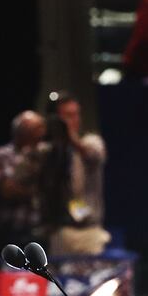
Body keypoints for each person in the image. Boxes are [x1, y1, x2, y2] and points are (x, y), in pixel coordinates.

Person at [37, 92, 109, 257]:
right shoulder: (47, 148)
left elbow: (94, 155)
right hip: (59, 229)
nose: (74, 120)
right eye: (67, 116)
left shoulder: (90, 141)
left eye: (76, 114)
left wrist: (71, 139)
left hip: (88, 229)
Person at [0, 110, 45, 246]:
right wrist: (37, 192)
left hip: (38, 230)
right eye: (34, 130)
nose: (40, 134)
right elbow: (7, 190)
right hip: (7, 230)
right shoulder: (0, 155)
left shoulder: (46, 153)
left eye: (41, 128)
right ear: (19, 132)